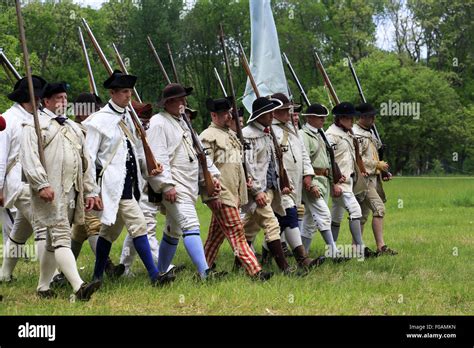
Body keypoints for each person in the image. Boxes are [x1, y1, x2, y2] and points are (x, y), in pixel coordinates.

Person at [83, 70, 171, 286]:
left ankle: (97, 276)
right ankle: (154, 276)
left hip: (129, 185)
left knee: (107, 233)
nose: (128, 95)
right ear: (112, 93)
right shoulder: (98, 121)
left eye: (130, 91)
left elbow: (134, 153)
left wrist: (149, 169)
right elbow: (89, 157)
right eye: (124, 91)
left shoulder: (127, 119)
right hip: (112, 186)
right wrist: (92, 191)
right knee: (139, 225)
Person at [21, 81, 101, 300]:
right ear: (46, 101)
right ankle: (79, 287)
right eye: (58, 98)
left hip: (71, 193)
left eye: (65, 98)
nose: (63, 101)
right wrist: (41, 184)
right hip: (49, 192)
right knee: (61, 237)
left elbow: (86, 161)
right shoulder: (34, 126)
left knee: (50, 241)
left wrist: (91, 191)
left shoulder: (74, 127)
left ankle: (43, 288)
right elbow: (29, 158)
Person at [147, 83, 225, 280]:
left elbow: (199, 153)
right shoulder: (158, 122)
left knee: (173, 231)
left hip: (188, 184)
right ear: (169, 102)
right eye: (180, 99)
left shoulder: (182, 122)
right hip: (175, 184)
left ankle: (161, 272)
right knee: (191, 225)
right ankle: (204, 273)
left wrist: (213, 176)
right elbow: (158, 157)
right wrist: (166, 185)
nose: (184, 102)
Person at [200, 97, 273, 281]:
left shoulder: (231, 135)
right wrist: (212, 193)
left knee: (215, 237)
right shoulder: (207, 136)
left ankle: (203, 270)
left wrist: (246, 181)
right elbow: (204, 169)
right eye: (224, 113)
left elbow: (236, 165)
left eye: (229, 112)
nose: (228, 116)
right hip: (220, 193)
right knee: (237, 233)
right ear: (213, 115)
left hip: (233, 193)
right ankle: (255, 271)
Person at [262, 93, 325, 269]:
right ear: (274, 112)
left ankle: (265, 255)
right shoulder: (268, 130)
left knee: (281, 223)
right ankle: (302, 258)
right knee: (290, 217)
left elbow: (303, 154)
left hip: (294, 183)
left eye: (288, 110)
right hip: (279, 184)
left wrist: (308, 174)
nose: (288, 113)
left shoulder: (292, 129)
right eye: (283, 110)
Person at [242, 96, 302, 276]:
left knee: (249, 229)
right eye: (268, 113)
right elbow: (248, 166)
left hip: (270, 189)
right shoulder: (248, 135)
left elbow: (273, 163)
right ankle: (285, 268)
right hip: (257, 191)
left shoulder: (267, 134)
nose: (271, 115)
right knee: (272, 224)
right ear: (259, 115)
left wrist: (281, 183)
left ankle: (238, 266)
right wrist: (256, 191)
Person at [0, 76, 48, 283]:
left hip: (33, 181)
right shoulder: (7, 119)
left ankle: (4, 274)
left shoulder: (37, 117)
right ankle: (50, 278)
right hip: (17, 183)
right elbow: (0, 158)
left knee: (20, 231)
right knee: (44, 225)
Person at [326, 102, 376, 259]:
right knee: (356, 211)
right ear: (340, 119)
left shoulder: (348, 133)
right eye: (349, 119)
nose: (352, 122)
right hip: (339, 182)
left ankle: (332, 251)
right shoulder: (331, 136)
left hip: (348, 181)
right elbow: (329, 161)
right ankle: (360, 248)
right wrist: (334, 182)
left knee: (336, 217)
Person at [298, 103, 343, 260]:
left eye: (324, 118)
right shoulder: (303, 135)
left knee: (310, 221)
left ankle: (303, 255)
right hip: (312, 180)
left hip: (323, 180)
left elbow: (328, 161)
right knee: (324, 215)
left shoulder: (320, 134)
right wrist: (310, 183)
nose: (323, 120)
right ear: (310, 118)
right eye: (319, 118)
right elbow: (304, 162)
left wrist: (333, 181)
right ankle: (334, 252)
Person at [353, 103, 397, 256]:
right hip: (362, 178)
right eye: (370, 116)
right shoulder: (356, 134)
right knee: (379, 209)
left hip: (372, 177)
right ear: (362, 117)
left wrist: (382, 170)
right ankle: (381, 246)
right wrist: (377, 164)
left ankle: (355, 248)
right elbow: (356, 160)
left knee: (362, 216)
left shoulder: (368, 133)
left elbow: (374, 155)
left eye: (373, 116)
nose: (373, 119)